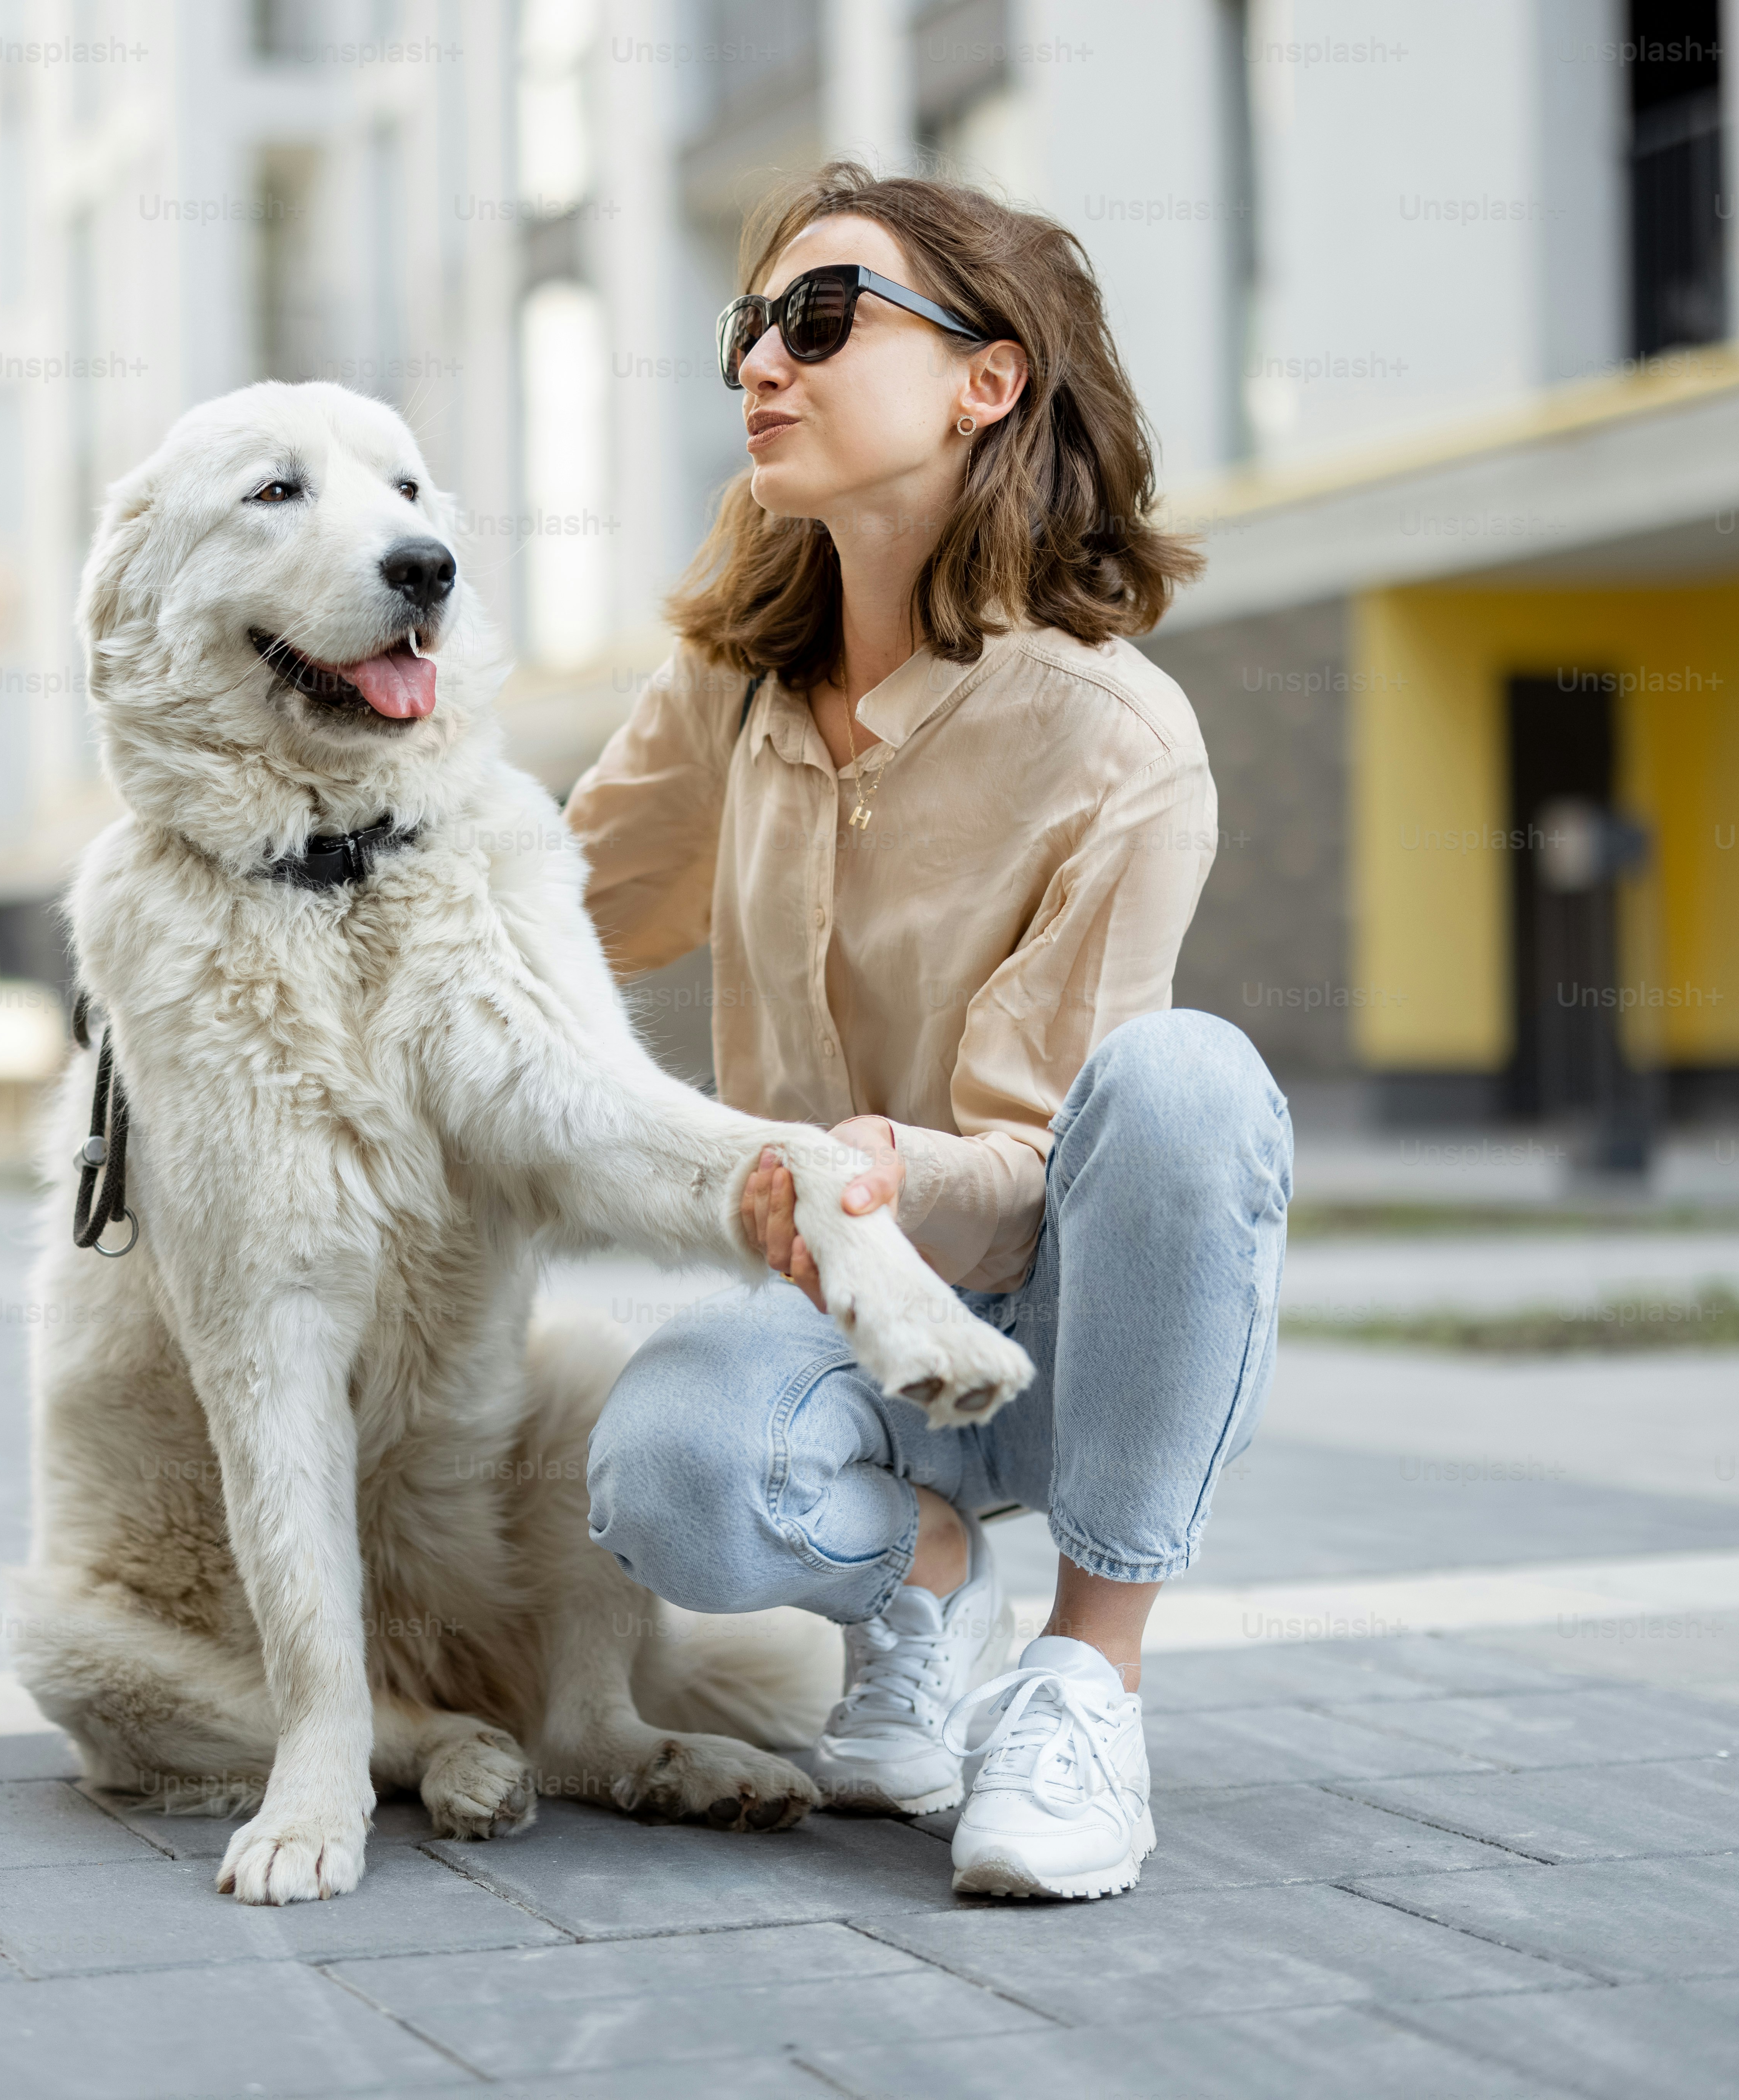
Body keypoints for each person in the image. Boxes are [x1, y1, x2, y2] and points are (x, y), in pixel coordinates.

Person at [565, 162, 1294, 1900]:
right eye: (748, 325)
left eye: (819, 320)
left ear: (990, 380)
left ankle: (1087, 1675)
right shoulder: (725, 687)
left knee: (1187, 1082)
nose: (760, 361)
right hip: (831, 1328)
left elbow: (1057, 1164)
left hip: (1062, 1335)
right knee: (659, 1467)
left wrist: (885, 1173)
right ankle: (926, 1577)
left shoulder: (1115, 739)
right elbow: (545, 922)